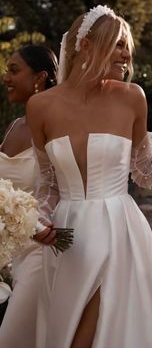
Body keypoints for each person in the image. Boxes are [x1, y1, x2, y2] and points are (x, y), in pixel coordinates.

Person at [27, 5, 152, 348]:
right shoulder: (40, 106)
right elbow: (48, 184)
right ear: (84, 46)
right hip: (67, 236)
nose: (126, 52)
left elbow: (144, 173)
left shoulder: (131, 98)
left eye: (126, 44)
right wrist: (38, 221)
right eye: (117, 43)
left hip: (118, 229)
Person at [0, 44, 58, 348]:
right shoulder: (13, 127)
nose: (5, 77)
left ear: (40, 78)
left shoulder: (57, 128)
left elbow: (64, 187)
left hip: (41, 253)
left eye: (13, 70)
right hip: (11, 254)